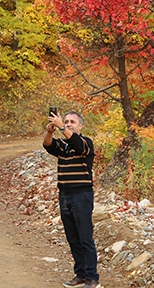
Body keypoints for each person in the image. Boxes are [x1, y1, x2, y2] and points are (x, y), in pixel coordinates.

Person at [44, 110, 101, 288]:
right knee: (73, 238)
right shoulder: (63, 145)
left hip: (81, 195)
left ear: (80, 126)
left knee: (85, 238)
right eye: (66, 121)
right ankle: (81, 274)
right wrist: (50, 131)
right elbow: (48, 146)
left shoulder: (85, 142)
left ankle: (92, 278)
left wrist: (61, 126)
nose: (68, 124)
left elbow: (78, 144)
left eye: (72, 122)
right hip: (64, 195)